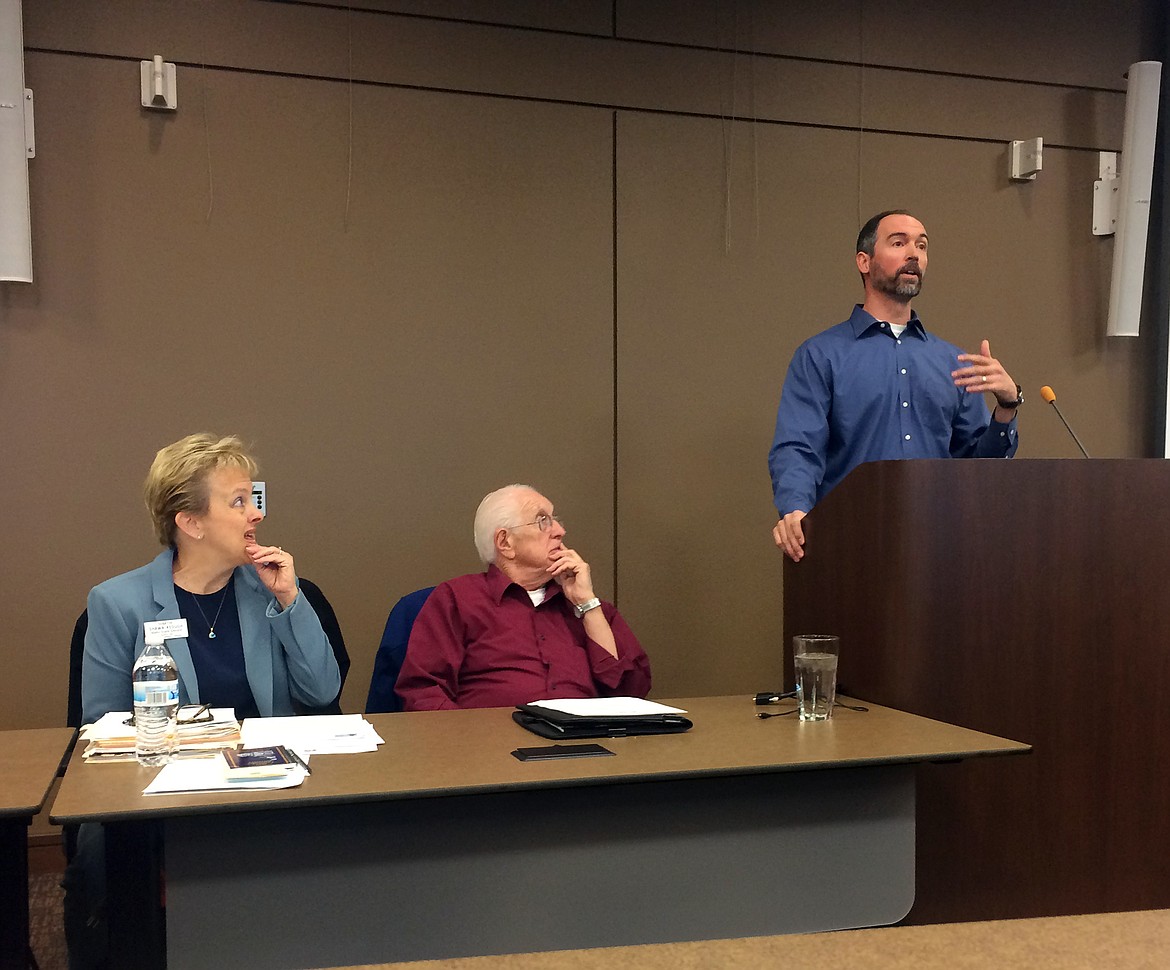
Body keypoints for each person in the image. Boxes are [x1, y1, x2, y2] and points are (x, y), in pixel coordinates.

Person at [65, 433, 340, 969]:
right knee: (102, 867)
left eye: (252, 499)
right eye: (237, 502)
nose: (254, 515)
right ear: (189, 522)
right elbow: (97, 727)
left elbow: (322, 690)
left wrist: (289, 599)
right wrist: (200, 740)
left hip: (269, 785)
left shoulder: (270, 589)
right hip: (158, 794)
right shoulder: (117, 602)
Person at [769, 210, 1021, 562]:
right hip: (850, 547)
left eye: (921, 245)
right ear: (864, 261)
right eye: (899, 243)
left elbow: (976, 470)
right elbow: (798, 447)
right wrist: (796, 509)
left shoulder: (953, 362)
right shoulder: (821, 355)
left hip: (941, 550)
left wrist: (1007, 408)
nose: (913, 254)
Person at [394, 484, 651, 710]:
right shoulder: (457, 599)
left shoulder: (589, 607)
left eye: (556, 520)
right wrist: (470, 748)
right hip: (494, 753)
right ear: (505, 542)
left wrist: (587, 604)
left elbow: (632, 693)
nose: (560, 531)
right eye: (543, 521)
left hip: (587, 751)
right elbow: (424, 693)